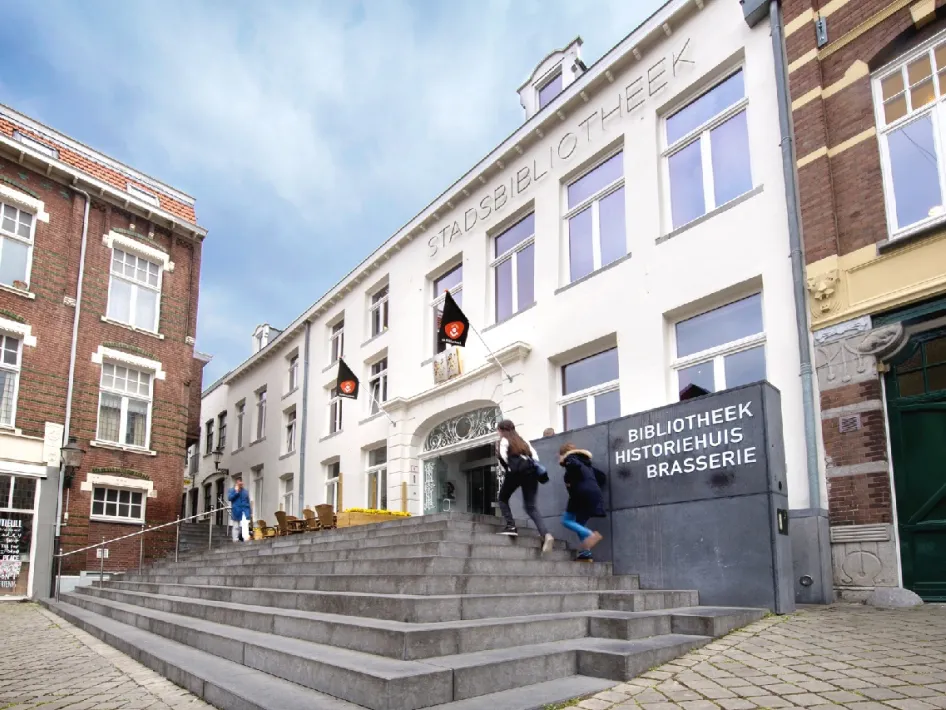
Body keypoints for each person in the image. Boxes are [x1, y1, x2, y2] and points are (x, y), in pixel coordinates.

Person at [496, 420, 555, 553]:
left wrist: (510, 469)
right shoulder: (523, 441)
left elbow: (504, 458)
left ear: (500, 430)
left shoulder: (504, 440)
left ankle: (511, 526)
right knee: (531, 506)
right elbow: (535, 458)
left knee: (502, 498)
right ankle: (546, 534)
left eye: (498, 430)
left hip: (515, 473)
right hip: (531, 473)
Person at [559, 443, 606, 562]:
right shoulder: (587, 464)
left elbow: (573, 467)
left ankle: (590, 534)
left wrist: (571, 480)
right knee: (579, 523)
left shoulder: (571, 459)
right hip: (592, 495)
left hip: (580, 495)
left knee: (566, 520)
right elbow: (602, 477)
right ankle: (586, 553)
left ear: (563, 454)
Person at [227, 478, 252, 543]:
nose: (240, 484)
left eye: (241, 483)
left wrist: (250, 512)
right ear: (236, 483)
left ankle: (246, 538)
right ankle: (235, 539)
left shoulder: (245, 491)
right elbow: (229, 498)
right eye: (239, 483)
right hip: (236, 510)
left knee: (245, 524)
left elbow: (248, 501)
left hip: (245, 510)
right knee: (236, 526)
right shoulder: (232, 490)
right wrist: (236, 492)